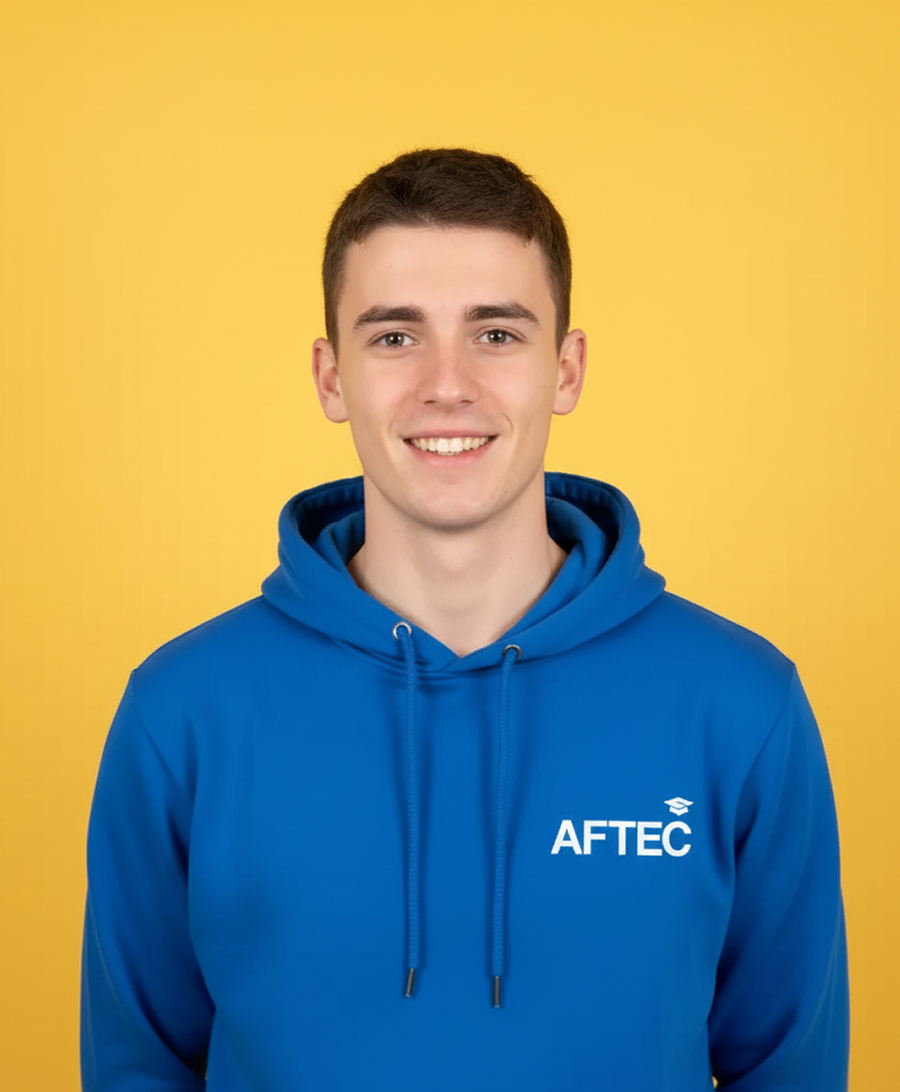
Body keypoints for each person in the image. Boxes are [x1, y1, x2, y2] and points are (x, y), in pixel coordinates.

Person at [81, 149, 849, 1091]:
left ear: (566, 369)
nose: (447, 385)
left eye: (496, 333)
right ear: (331, 377)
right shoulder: (183, 713)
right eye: (395, 336)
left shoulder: (739, 706)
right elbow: (136, 1065)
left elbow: (789, 1068)